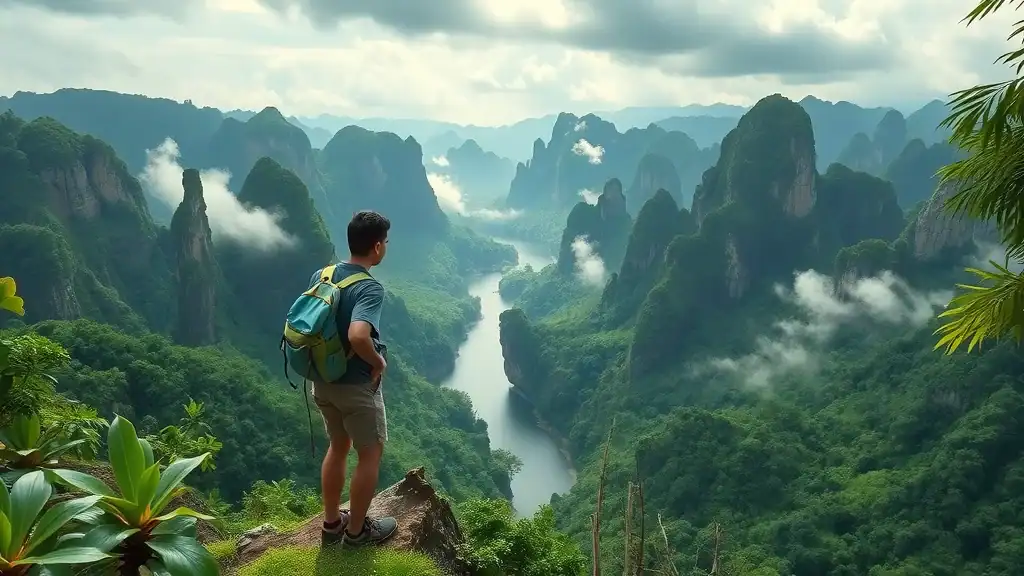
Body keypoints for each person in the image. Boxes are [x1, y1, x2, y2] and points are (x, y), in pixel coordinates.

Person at [312, 210, 398, 547]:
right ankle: (357, 532)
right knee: (369, 454)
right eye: (385, 242)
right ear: (377, 247)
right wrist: (379, 362)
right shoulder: (369, 288)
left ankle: (332, 523)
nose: (385, 247)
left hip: (322, 381)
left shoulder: (323, 274)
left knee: (337, 446)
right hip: (356, 387)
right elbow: (359, 335)